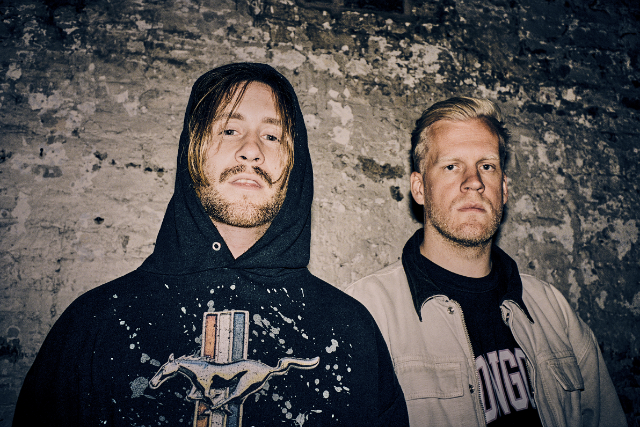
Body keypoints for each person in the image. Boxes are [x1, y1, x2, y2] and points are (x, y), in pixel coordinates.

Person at [13, 63, 409, 427]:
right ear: (194, 149)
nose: (251, 150)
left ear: (294, 163)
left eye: (272, 136)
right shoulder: (94, 325)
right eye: (230, 130)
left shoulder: (350, 332)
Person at [346, 97, 626, 427]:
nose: (474, 181)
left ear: (503, 189)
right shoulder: (365, 313)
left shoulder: (554, 310)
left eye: (487, 166)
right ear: (419, 189)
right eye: (451, 166)